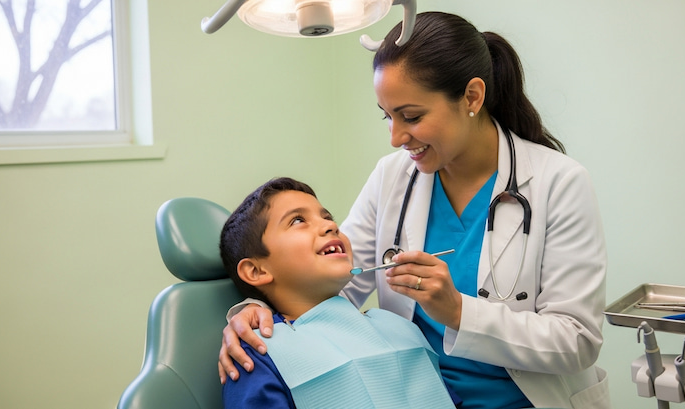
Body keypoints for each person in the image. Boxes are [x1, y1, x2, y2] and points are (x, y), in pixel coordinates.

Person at [220, 12, 609, 409]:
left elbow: (576, 341)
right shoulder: (393, 177)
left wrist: (457, 311)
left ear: (472, 97)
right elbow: (332, 281)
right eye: (387, 116)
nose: (395, 138)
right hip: (418, 393)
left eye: (412, 116)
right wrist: (256, 312)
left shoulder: (557, 182)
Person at [219, 177, 461, 408]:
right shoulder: (255, 353)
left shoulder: (399, 327)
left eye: (327, 217)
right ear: (256, 271)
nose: (330, 225)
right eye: (297, 221)